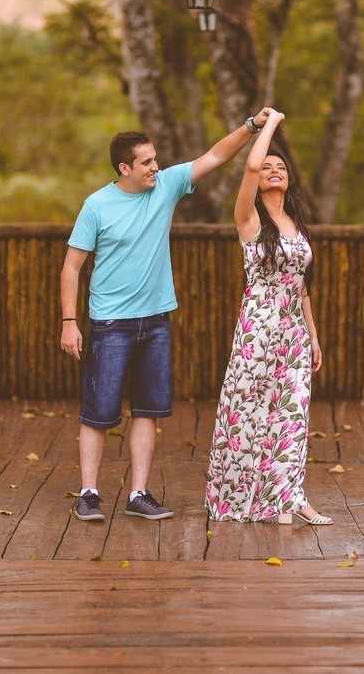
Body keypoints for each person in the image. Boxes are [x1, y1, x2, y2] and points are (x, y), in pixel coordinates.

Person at [61, 109, 273, 522]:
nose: (156, 167)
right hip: (109, 324)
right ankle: (88, 494)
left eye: (156, 159)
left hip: (156, 321)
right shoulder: (97, 206)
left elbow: (215, 156)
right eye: (147, 162)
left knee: (149, 410)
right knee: (98, 411)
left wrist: (252, 126)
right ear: (125, 167)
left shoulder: (167, 185)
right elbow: (71, 267)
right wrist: (70, 322)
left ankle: (138, 494)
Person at [205, 109, 330, 525]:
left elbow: (302, 285)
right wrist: (272, 121)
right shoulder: (249, 218)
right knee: (250, 413)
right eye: (269, 168)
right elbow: (252, 162)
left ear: (289, 179)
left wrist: (312, 334)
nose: (273, 170)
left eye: (282, 167)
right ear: (258, 181)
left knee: (291, 416)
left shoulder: (296, 224)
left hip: (293, 332)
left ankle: (290, 499)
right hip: (258, 329)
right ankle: (235, 499)